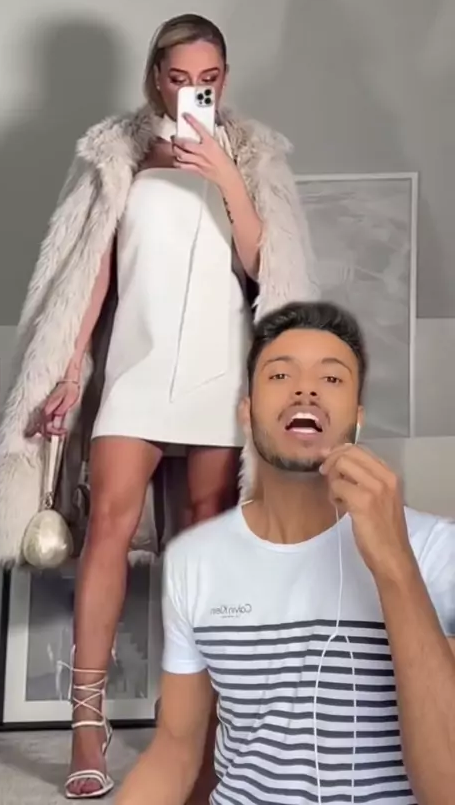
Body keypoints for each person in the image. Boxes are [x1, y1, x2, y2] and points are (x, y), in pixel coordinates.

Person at [0, 15, 318, 799]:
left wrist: (224, 176)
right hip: (136, 366)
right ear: (156, 76)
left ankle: (191, 721)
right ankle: (86, 727)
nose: (195, 89)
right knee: (107, 530)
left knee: (202, 548)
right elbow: (88, 273)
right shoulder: (116, 154)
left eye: (209, 78)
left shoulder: (253, 158)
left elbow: (265, 267)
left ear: (224, 78)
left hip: (218, 372)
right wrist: (69, 370)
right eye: (180, 76)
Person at [116, 301, 455, 805]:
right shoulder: (194, 561)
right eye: (280, 374)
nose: (306, 390)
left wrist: (394, 566)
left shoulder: (437, 550)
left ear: (357, 419)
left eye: (332, 379)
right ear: (246, 411)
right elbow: (175, 752)